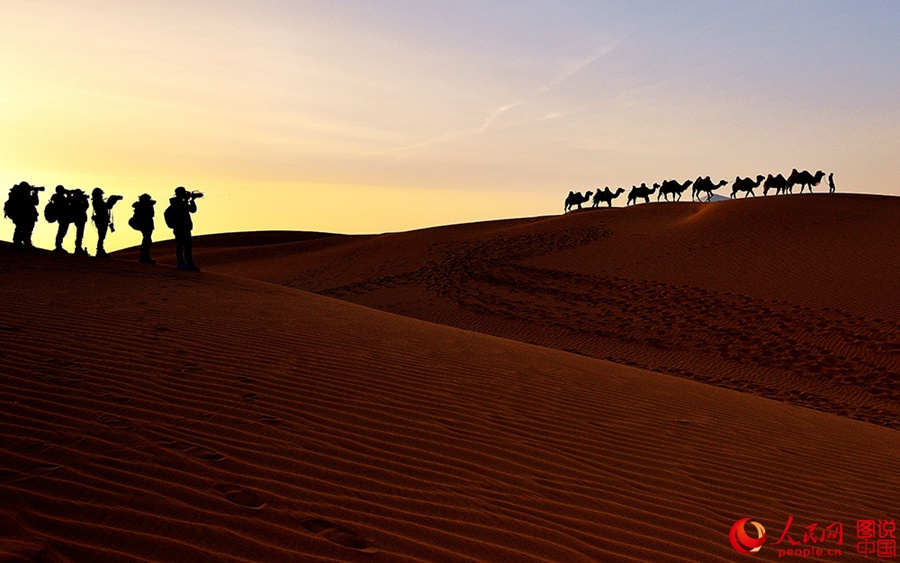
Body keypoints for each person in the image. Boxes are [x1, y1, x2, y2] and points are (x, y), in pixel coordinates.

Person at [166, 186, 202, 271]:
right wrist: (187, 200)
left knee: (187, 246)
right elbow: (183, 208)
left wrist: (191, 201)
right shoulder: (176, 203)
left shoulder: (181, 202)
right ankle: (181, 263)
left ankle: (189, 263)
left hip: (186, 228)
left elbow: (193, 210)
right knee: (181, 246)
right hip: (179, 228)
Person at [3, 181, 42, 248]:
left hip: (27, 215)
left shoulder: (22, 195)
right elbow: (33, 202)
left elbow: (35, 202)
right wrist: (34, 194)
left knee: (26, 229)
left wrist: (35, 193)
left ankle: (23, 241)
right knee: (22, 228)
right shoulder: (20, 195)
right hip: (22, 215)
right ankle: (21, 242)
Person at [90, 187, 123, 258]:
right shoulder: (97, 201)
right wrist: (112, 200)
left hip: (102, 219)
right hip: (101, 220)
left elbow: (107, 207)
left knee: (102, 236)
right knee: (101, 236)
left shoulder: (97, 201)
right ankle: (99, 251)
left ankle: (100, 250)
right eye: (100, 194)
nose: (101, 196)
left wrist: (112, 200)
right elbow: (106, 207)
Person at [130, 193, 156, 264]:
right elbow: (150, 214)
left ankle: (145, 257)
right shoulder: (141, 207)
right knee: (147, 241)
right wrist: (150, 206)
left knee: (147, 240)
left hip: (147, 225)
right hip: (145, 225)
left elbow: (152, 214)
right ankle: (144, 257)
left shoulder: (141, 206)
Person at [49, 185, 73, 252]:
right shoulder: (58, 197)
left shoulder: (57, 197)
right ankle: (58, 246)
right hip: (62, 216)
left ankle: (58, 245)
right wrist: (68, 195)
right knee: (61, 231)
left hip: (62, 216)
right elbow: (67, 202)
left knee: (62, 231)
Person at [69, 189, 90, 255]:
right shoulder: (78, 204)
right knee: (79, 234)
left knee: (79, 234)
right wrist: (85, 199)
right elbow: (86, 206)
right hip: (80, 219)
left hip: (78, 219)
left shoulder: (73, 202)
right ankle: (78, 248)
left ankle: (78, 247)